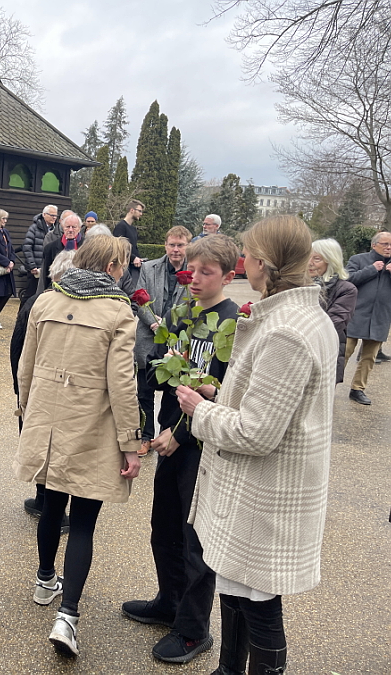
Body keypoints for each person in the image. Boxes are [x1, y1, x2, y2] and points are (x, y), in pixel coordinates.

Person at [175, 215, 336, 675]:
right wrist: (218, 394)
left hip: (264, 493)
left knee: (260, 606)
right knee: (236, 592)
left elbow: (256, 432)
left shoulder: (286, 330)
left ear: (262, 263)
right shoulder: (302, 316)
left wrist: (200, 410)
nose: (243, 260)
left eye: (247, 254)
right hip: (262, 488)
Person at [14, 235, 141, 658]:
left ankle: (44, 579)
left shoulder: (46, 301)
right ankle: (67, 616)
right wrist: (131, 442)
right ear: (111, 267)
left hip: (48, 421)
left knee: (52, 505)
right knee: (83, 522)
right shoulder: (118, 311)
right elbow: (122, 383)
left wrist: (27, 411)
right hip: (92, 425)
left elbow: (26, 365)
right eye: (120, 266)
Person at [122, 233, 239, 665]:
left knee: (195, 541)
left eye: (207, 272)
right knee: (164, 526)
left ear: (228, 276)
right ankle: (169, 602)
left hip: (202, 447)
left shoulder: (233, 323)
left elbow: (226, 395)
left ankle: (193, 629)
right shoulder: (181, 313)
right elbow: (160, 375)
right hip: (170, 436)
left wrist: (181, 433)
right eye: (192, 270)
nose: (196, 278)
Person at [11, 249, 78, 535]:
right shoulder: (46, 304)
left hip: (37, 387)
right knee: (52, 444)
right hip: (56, 387)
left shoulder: (35, 302)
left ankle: (45, 501)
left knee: (41, 442)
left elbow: (17, 350)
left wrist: (20, 388)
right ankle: (48, 503)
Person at [132, 226, 192, 456]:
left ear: (187, 246)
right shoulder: (149, 268)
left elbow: (195, 303)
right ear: (165, 245)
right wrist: (154, 324)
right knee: (144, 392)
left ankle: (167, 434)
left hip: (178, 339)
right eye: (172, 245)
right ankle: (145, 436)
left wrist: (171, 325)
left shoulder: (193, 272)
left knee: (174, 393)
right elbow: (138, 299)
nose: (176, 249)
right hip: (149, 336)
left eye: (180, 245)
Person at [343, 231, 391, 405]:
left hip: (380, 317)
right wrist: (372, 269)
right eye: (385, 244)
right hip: (355, 314)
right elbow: (347, 280)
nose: (389, 247)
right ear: (374, 245)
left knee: (369, 357)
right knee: (344, 352)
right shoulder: (358, 259)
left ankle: (357, 389)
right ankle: (329, 384)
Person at [310, 238, 358, 384]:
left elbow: (333, 324)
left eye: (316, 259)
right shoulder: (299, 285)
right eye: (307, 257)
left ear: (331, 261)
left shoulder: (346, 290)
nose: (309, 263)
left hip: (324, 353)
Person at [38, 213, 84, 293]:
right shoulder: (50, 248)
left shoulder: (88, 247)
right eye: (67, 227)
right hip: (56, 290)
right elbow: (46, 275)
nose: (70, 230)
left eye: (74, 227)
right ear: (63, 227)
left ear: (79, 228)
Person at [22, 205, 58, 300]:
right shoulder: (34, 228)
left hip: (48, 267)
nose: (54, 217)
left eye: (56, 215)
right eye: (52, 215)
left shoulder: (56, 230)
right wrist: (32, 265)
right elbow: (27, 247)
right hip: (36, 268)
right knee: (30, 294)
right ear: (44, 214)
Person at [113, 199, 144, 290]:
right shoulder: (121, 227)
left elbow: (134, 248)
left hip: (133, 268)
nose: (141, 214)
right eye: (139, 211)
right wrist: (133, 258)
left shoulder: (133, 229)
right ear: (132, 210)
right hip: (123, 268)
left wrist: (139, 259)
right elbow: (118, 248)